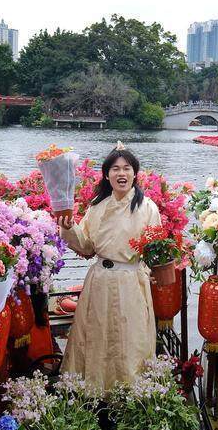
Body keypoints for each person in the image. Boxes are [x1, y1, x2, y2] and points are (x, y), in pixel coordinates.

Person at [57, 143, 161, 389]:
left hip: (131, 280)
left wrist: (154, 270)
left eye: (127, 168)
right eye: (115, 169)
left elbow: (156, 249)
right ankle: (93, 391)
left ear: (135, 173)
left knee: (129, 338)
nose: (121, 174)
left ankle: (130, 393)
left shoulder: (148, 208)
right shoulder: (97, 206)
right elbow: (86, 246)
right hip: (100, 280)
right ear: (107, 174)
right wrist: (69, 227)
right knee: (96, 336)